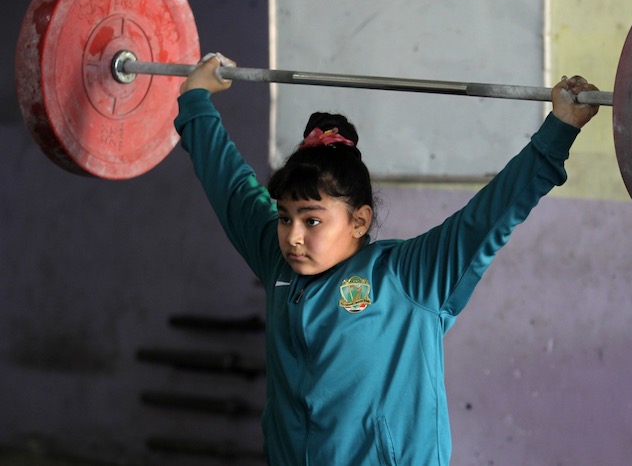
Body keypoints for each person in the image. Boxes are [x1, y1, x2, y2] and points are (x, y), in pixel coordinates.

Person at [175, 54, 599, 465]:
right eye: (285, 217)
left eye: (313, 220)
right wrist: (196, 100)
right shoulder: (279, 262)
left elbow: (490, 216)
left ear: (359, 221)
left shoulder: (410, 276)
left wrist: (559, 129)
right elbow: (229, 184)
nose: (293, 236)